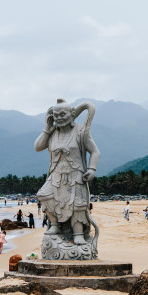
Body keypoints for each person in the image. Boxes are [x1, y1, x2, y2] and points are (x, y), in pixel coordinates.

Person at [35, 99, 100, 246]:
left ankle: (78, 234)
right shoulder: (52, 133)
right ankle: (55, 225)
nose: (59, 118)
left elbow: (95, 151)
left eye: (62, 114)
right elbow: (38, 147)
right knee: (44, 195)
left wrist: (91, 169)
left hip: (75, 174)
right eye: (56, 115)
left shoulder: (80, 132)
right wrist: (47, 127)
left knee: (77, 203)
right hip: (55, 174)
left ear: (72, 114)